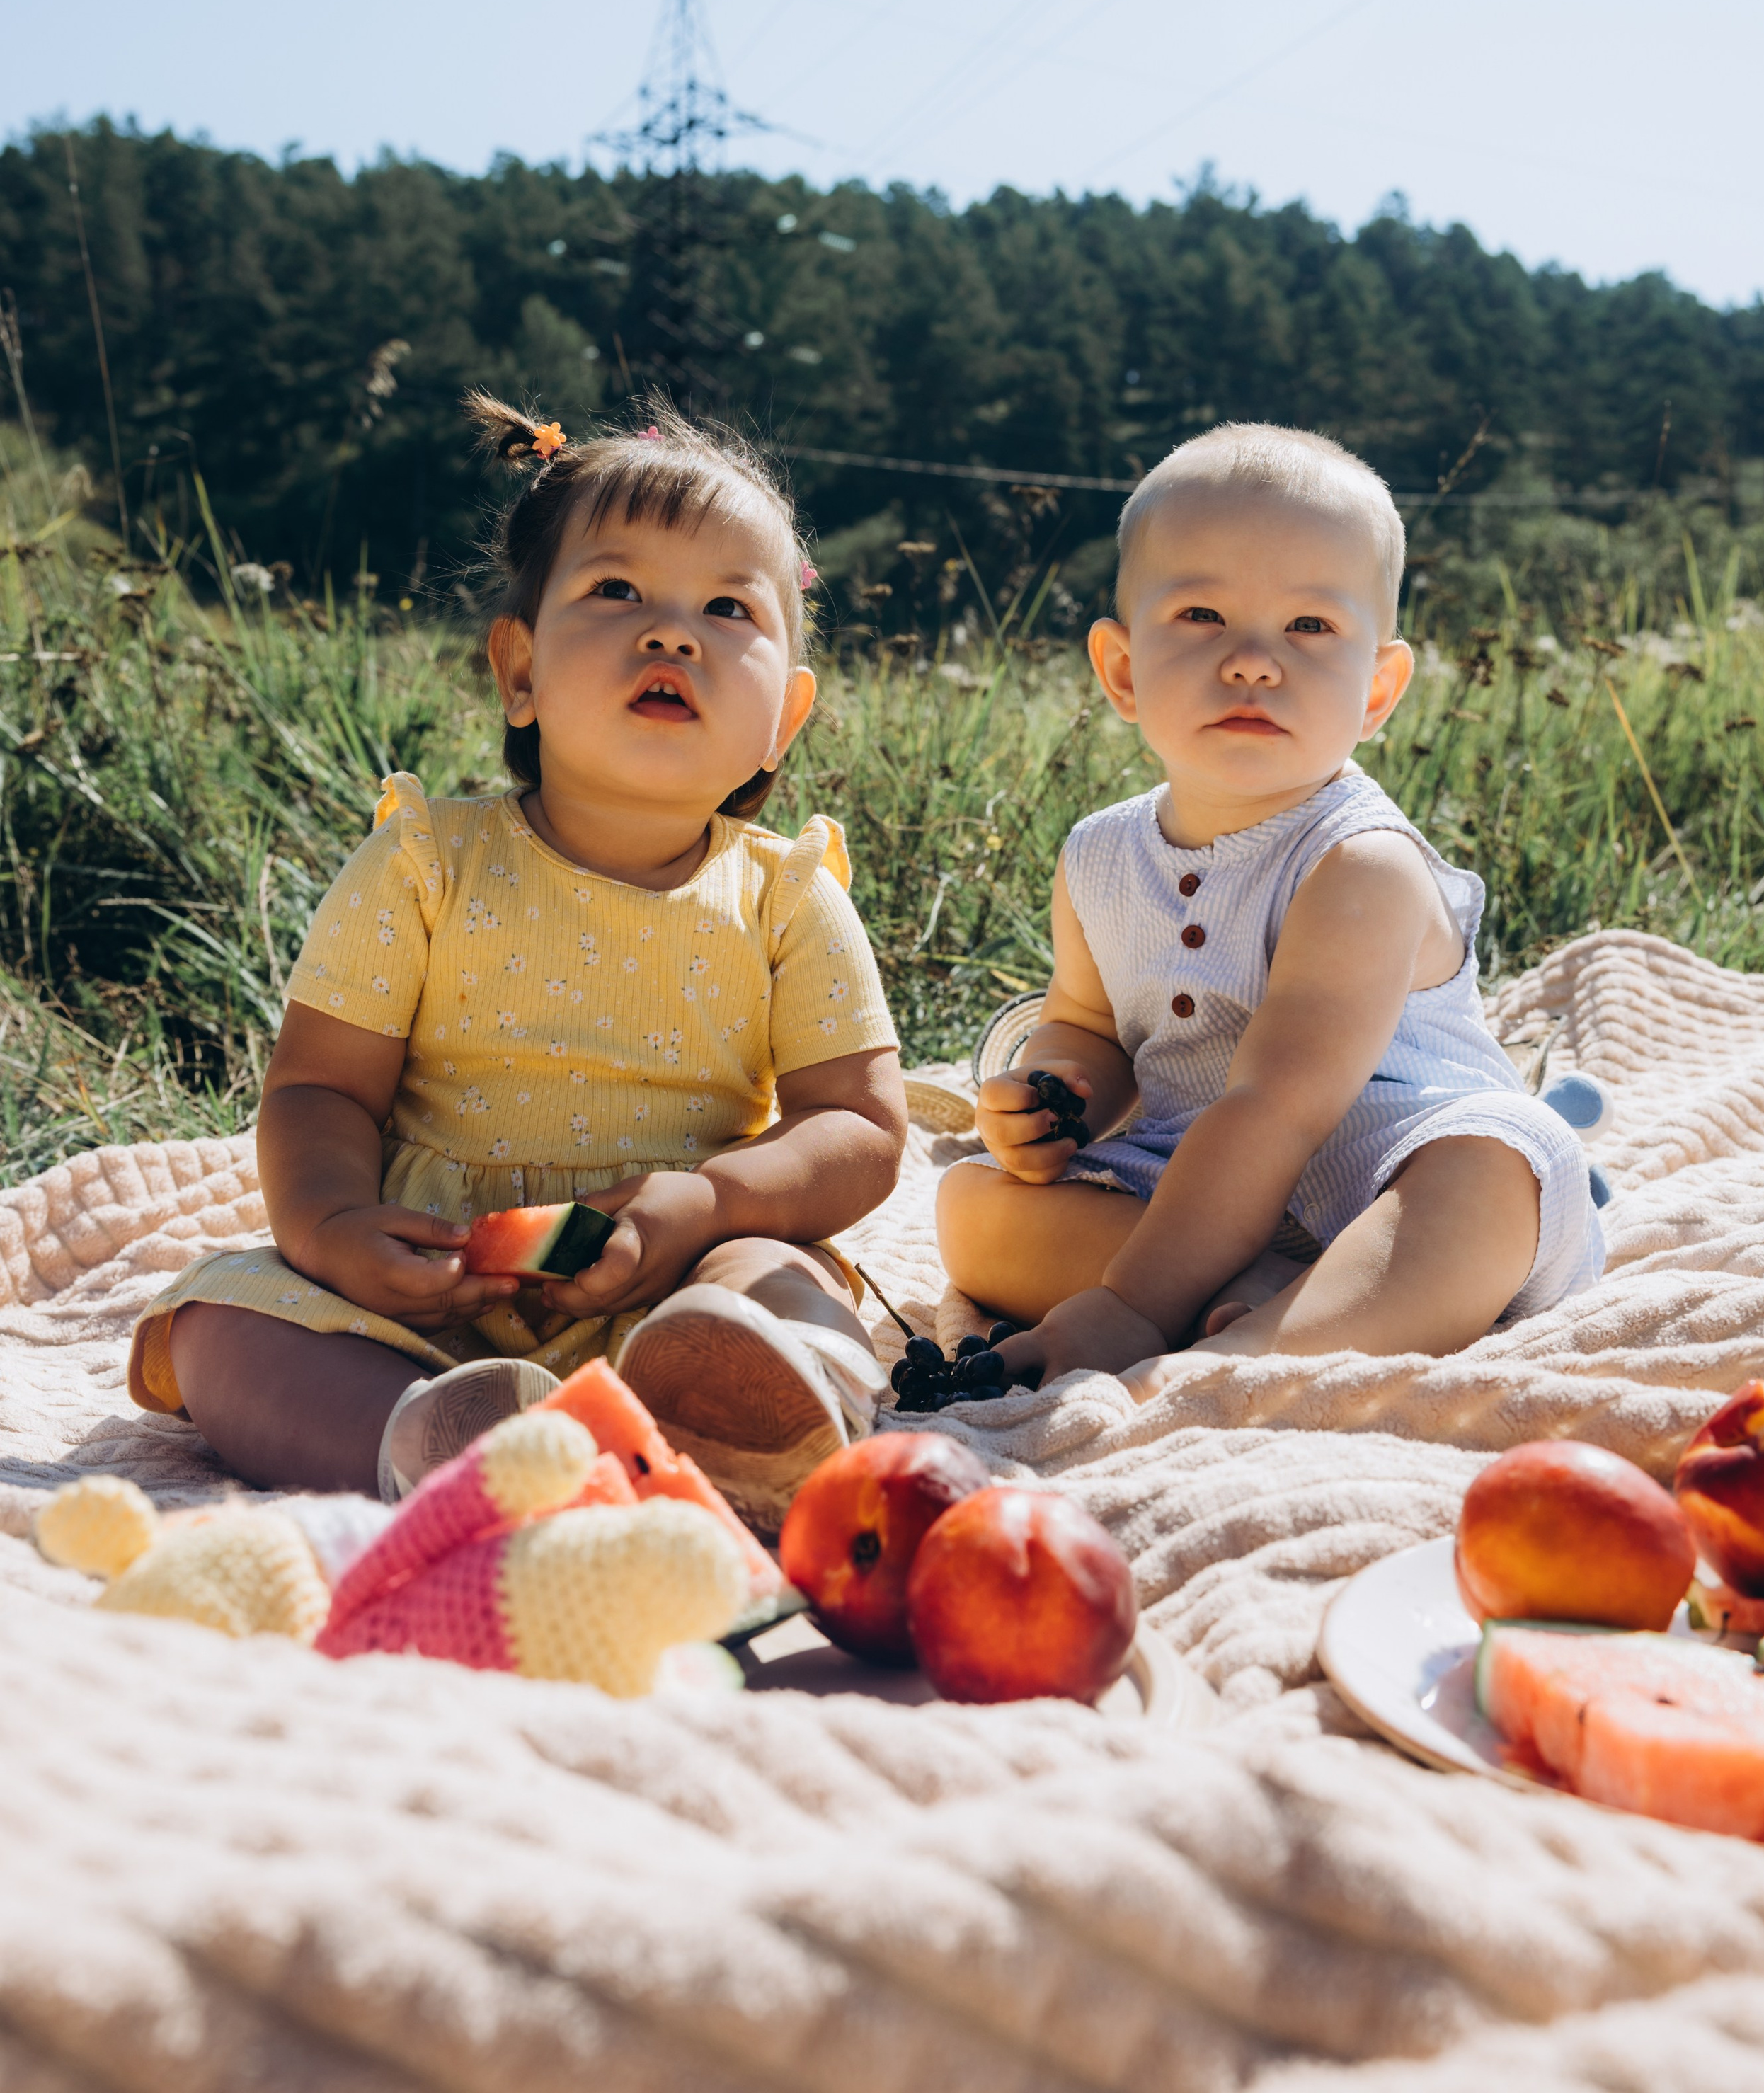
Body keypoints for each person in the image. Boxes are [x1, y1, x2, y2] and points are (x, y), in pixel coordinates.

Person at [130, 398, 906, 1522]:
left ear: (785, 717)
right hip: (428, 1291)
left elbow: (863, 1130)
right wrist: (334, 1229)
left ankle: (748, 1431)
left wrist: (704, 1205)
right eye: (617, 592)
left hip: (683, 1277)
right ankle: (438, 1448)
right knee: (223, 1321)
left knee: (789, 1296)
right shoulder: (423, 867)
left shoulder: (787, 896)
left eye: (727, 607)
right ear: (521, 667)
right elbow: (318, 1088)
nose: (672, 634)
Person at [937, 422, 1603, 1390]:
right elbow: (1089, 1027)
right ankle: (1266, 1290)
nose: (1254, 661)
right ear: (1123, 671)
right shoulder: (1100, 855)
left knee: (1502, 1166)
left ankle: (1257, 1356)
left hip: (1377, 1170)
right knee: (972, 1207)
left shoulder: (1359, 863)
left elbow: (1277, 1105)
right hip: (1181, 1185)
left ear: (1376, 690)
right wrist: (1056, 1099)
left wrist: (1127, 1304)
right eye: (1203, 616)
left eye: (1309, 627)